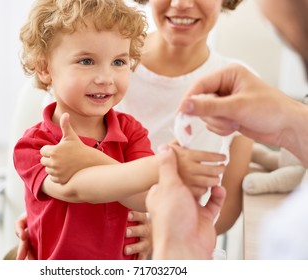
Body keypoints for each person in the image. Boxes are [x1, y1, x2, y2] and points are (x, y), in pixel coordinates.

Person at [15, 0, 253, 259]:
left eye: (119, 63)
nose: (105, 78)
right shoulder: (34, 144)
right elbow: (75, 189)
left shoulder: (132, 131)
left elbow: (146, 197)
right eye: (86, 61)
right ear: (44, 68)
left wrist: (93, 159)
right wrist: (166, 164)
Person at [147, 0, 308, 259]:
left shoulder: (241, 86)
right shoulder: (104, 66)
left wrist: (167, 235)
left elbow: (228, 204)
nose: (181, 4)